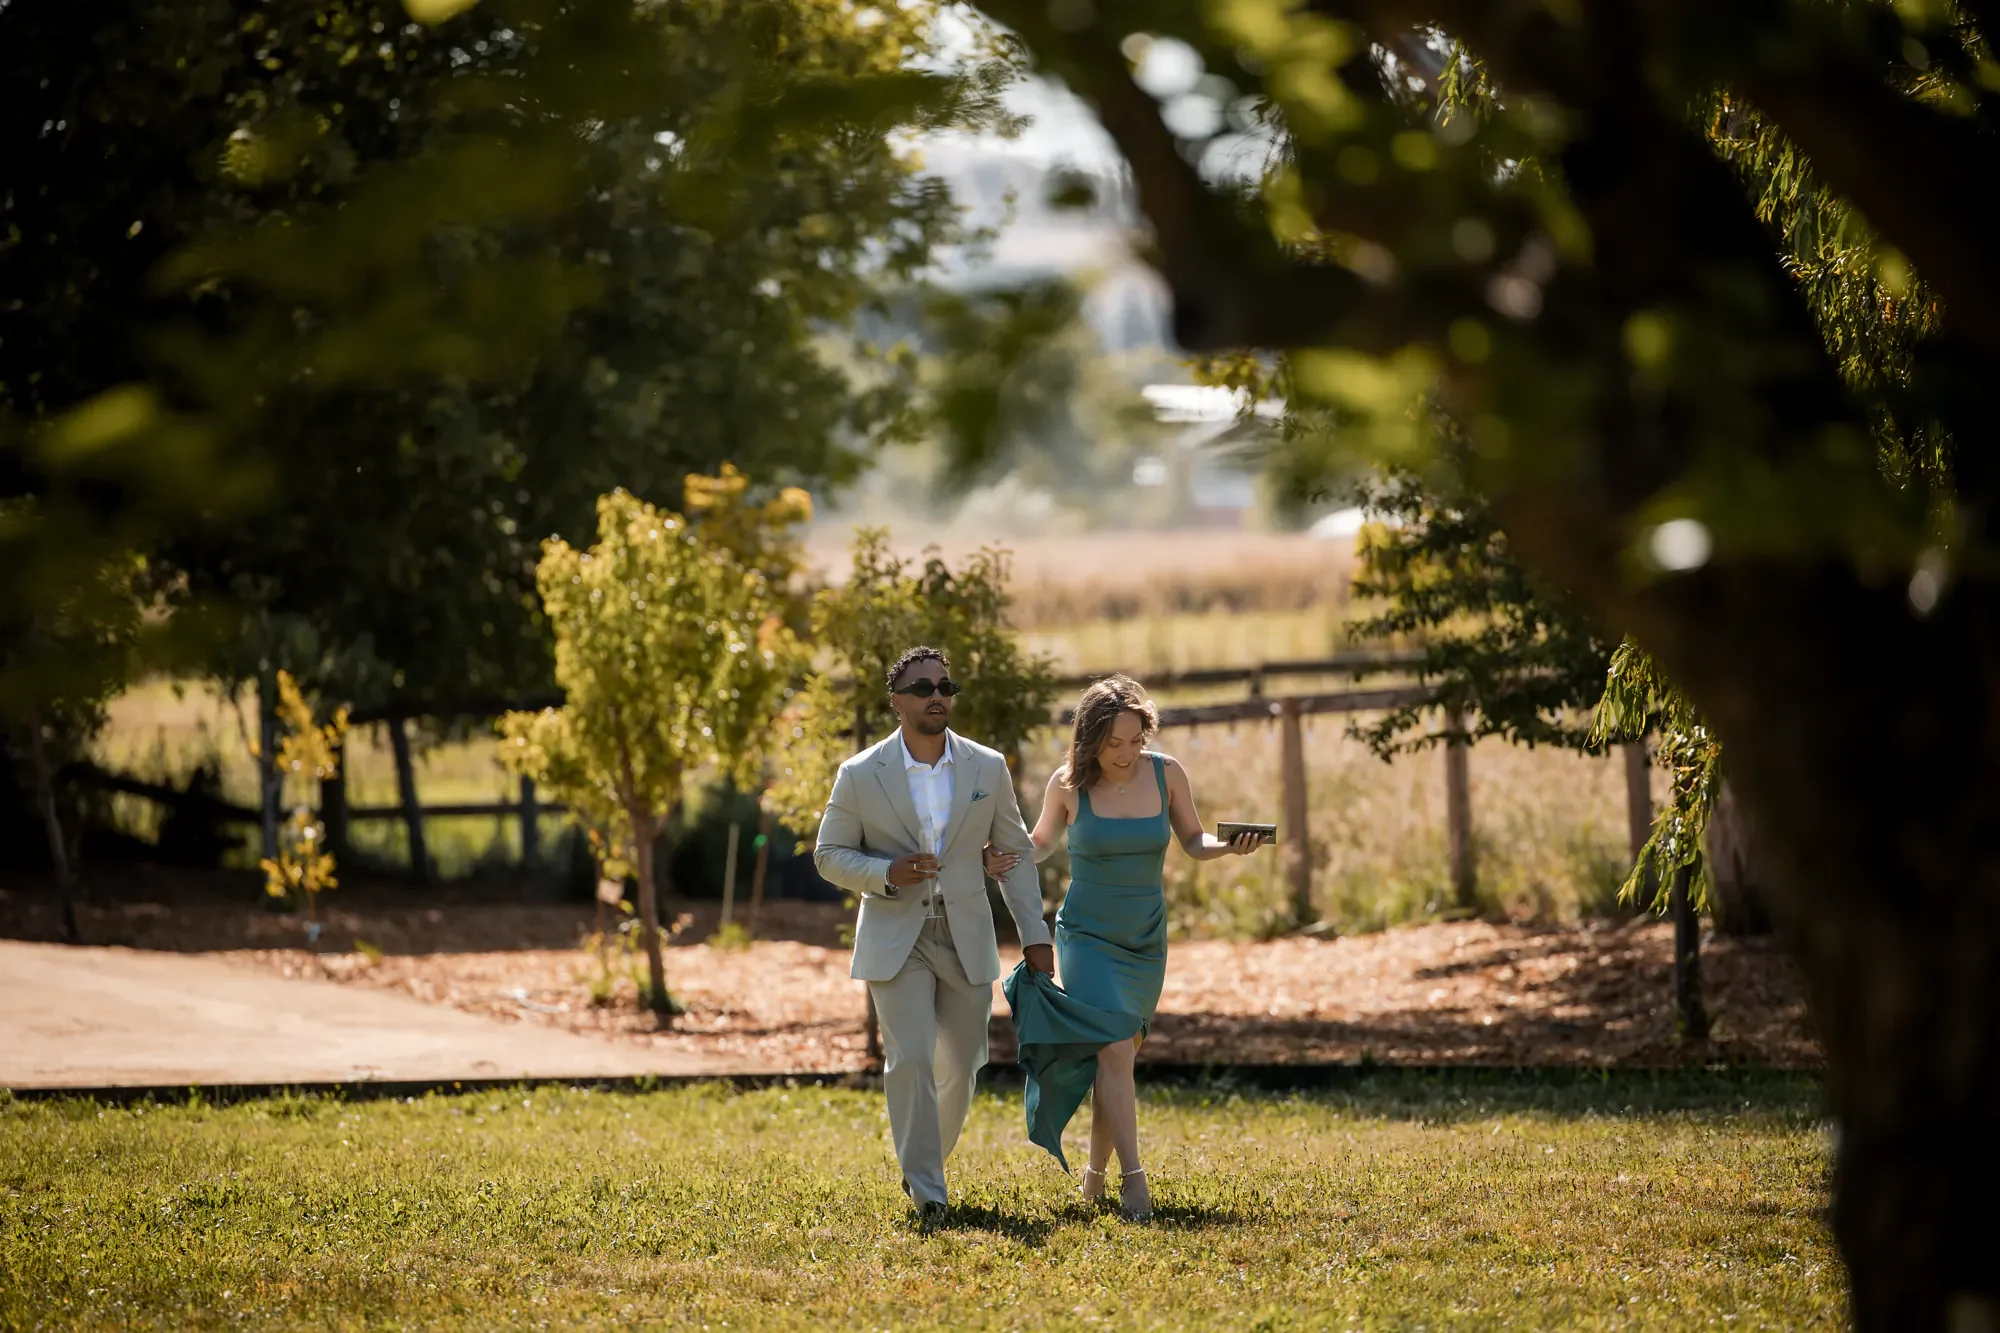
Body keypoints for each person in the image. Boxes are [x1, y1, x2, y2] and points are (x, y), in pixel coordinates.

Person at [985, 674, 1263, 1220]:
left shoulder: (1167, 774)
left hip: (1144, 939)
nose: (1126, 753)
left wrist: (1226, 847)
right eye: (1114, 743)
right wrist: (1006, 855)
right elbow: (1040, 843)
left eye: (1136, 741)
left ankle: (1093, 1179)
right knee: (1113, 1048)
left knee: (1119, 1058)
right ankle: (1134, 1181)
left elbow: (1192, 839)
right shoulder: (1067, 785)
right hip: (1086, 934)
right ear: (1089, 739)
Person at [813, 645, 1056, 1234]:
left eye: (945, 686)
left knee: (964, 1061)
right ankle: (929, 1191)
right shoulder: (860, 773)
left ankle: (923, 1164)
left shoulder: (985, 766)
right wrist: (885, 873)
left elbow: (1015, 855)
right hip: (898, 936)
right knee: (912, 1056)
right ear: (896, 702)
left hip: (967, 933)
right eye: (923, 688)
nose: (937, 696)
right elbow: (828, 855)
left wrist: (1035, 935)